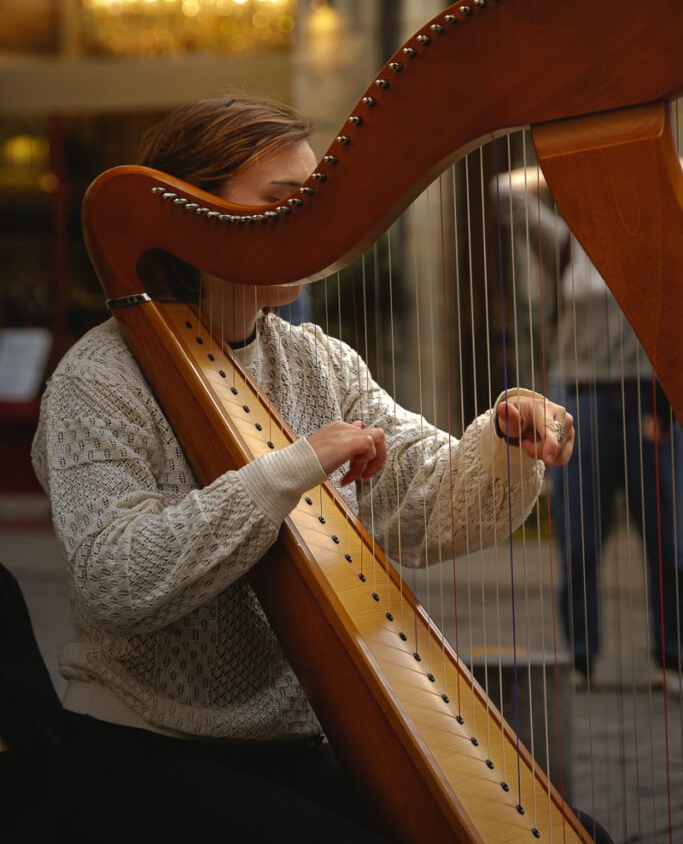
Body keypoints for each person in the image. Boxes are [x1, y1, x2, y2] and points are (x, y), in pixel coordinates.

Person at [32, 94, 577, 843]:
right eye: (281, 204)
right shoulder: (99, 379)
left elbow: (432, 507)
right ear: (194, 218)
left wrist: (509, 436)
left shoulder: (316, 360)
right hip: (144, 751)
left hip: (302, 741)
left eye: (312, 205)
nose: (305, 227)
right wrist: (292, 468)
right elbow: (117, 577)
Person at [495, 162, 683, 690]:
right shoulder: (568, 245)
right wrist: (569, 163)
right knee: (578, 539)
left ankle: (671, 657)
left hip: (650, 402)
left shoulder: (663, 238)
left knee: (669, 539)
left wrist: (647, 160)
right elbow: (503, 190)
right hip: (579, 402)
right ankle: (582, 655)